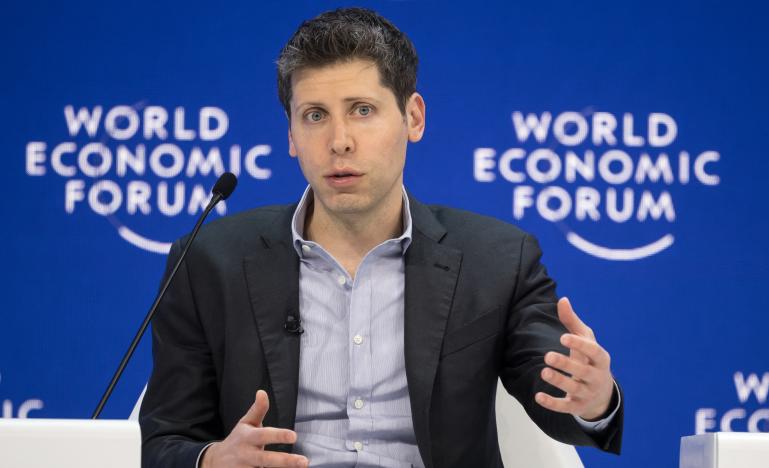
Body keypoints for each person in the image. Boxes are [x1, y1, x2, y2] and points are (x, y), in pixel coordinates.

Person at [140, 7, 623, 468]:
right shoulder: (208, 260)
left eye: (362, 110)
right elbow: (161, 441)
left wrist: (593, 397)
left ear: (413, 117)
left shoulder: (496, 259)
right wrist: (210, 460)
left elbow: (557, 396)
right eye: (314, 115)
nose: (339, 140)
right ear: (290, 134)